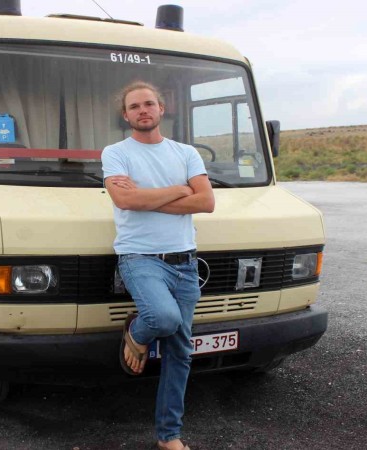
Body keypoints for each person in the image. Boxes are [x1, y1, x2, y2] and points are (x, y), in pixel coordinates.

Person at [101, 81, 215, 450]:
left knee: (180, 353)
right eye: (135, 106)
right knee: (164, 320)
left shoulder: (186, 153)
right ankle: (137, 331)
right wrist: (181, 190)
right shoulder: (116, 153)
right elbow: (124, 200)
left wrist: (145, 197)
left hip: (185, 261)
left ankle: (169, 436)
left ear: (161, 109)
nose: (143, 110)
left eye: (149, 104)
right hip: (140, 258)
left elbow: (206, 202)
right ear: (126, 115)